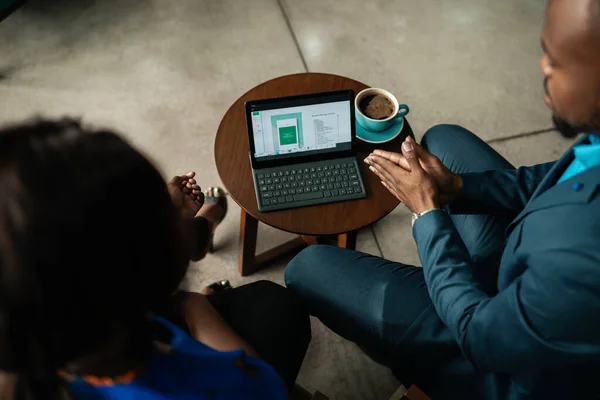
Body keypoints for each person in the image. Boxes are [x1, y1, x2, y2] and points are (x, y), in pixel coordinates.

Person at [285, 0, 600, 398]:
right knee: (444, 137)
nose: (542, 67)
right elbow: (555, 179)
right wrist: (459, 188)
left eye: (556, 60)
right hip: (524, 261)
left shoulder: (581, 261)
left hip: (496, 361)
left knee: (306, 268)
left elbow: (479, 334)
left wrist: (426, 213)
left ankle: (410, 359)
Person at [0, 118, 310, 399]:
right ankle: (205, 227)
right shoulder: (242, 386)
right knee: (277, 306)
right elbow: (261, 384)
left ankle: (202, 228)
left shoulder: (32, 351)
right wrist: (193, 304)